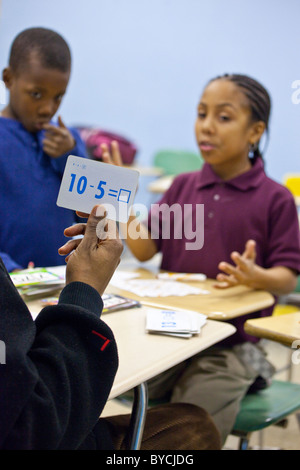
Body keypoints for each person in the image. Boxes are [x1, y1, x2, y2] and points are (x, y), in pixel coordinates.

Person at [98, 73, 300, 445]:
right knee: (104, 376)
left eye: (223, 117)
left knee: (193, 424)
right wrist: (120, 200)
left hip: (230, 342)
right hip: (170, 330)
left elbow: (288, 278)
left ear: (255, 131)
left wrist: (257, 276)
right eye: (201, 113)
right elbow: (145, 249)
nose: (206, 127)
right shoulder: (182, 186)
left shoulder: (275, 199)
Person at [0, 204, 221, 450]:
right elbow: (34, 421)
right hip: (40, 429)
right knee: (195, 430)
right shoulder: (183, 186)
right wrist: (84, 290)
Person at [0, 27, 87, 273]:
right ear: (8, 79)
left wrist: (70, 156)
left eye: (58, 96)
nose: (48, 108)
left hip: (59, 283)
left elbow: (90, 217)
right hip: (9, 286)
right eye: (36, 94)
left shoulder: (69, 141)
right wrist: (12, 274)